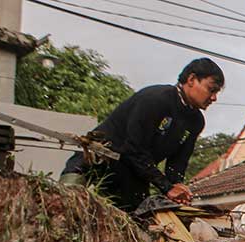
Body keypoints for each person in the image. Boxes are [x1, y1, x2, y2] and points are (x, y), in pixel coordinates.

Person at [60, 58, 224, 212]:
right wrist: (166, 187)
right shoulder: (155, 99)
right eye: (211, 89)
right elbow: (133, 149)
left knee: (135, 225)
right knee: (66, 208)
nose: (214, 98)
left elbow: (177, 165)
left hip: (134, 175)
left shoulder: (195, 122)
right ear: (191, 79)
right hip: (99, 161)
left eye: (217, 92)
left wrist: (178, 188)